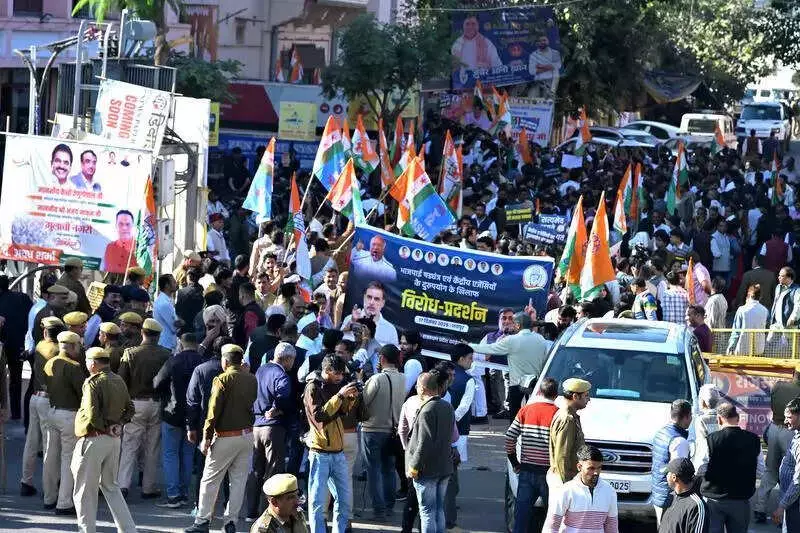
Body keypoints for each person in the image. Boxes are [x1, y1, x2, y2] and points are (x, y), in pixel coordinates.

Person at [185, 344, 258, 533]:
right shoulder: (251, 379)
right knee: (238, 481)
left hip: (225, 437)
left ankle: (202, 522)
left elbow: (212, 411)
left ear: (225, 361)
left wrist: (206, 437)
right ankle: (231, 522)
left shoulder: (222, 379)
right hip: (247, 435)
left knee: (210, 480)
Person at [71, 346, 137, 533]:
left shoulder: (92, 382)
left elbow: (92, 413)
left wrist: (104, 428)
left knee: (84, 491)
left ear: (93, 363)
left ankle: (87, 530)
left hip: (94, 438)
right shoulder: (118, 380)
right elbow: (130, 408)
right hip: (113, 440)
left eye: (87, 362)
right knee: (111, 487)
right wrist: (118, 424)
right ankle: (128, 530)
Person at [303, 354, 359, 533]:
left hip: (338, 452)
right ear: (326, 371)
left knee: (344, 500)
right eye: (337, 374)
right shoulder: (313, 387)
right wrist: (340, 396)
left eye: (342, 375)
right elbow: (320, 417)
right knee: (317, 502)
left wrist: (350, 398)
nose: (340, 378)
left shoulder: (335, 386)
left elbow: (341, 413)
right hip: (320, 452)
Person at [117, 318, 172, 498]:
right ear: (158, 335)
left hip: (135, 403)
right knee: (152, 447)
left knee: (129, 445)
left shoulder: (131, 353)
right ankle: (148, 487)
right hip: (157, 403)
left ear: (142, 332)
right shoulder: (166, 354)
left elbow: (121, 381)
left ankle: (123, 485)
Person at [152, 333, 204, 508]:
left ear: (181, 345)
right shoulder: (203, 362)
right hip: (194, 416)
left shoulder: (173, 361)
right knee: (188, 455)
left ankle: (173, 495)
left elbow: (157, 383)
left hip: (172, 414)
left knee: (170, 454)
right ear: (196, 345)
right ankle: (184, 493)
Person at [247, 342, 296, 520]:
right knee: (273, 471)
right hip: (273, 427)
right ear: (288, 358)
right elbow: (283, 396)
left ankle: (250, 511)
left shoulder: (260, 370)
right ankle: (266, 513)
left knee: (255, 470)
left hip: (256, 426)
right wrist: (278, 409)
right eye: (293, 360)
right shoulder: (281, 375)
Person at [467, 312, 549, 419]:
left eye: (513, 323)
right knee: (532, 415)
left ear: (518, 325)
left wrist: (469, 346)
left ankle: (514, 435)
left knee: (515, 417)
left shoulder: (512, 340)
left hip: (516, 385)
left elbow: (490, 348)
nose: (511, 325)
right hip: (535, 384)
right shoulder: (541, 339)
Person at [505, 377, 559, 533]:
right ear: (556, 395)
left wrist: (514, 462)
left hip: (527, 471)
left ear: (540, 392)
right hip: (549, 474)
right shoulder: (558, 414)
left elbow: (510, 437)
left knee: (521, 516)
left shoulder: (526, 410)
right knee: (552, 517)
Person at [406, 371, 456, 533]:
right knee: (439, 509)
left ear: (422, 388)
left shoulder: (426, 410)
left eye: (417, 386)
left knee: (427, 512)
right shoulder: (447, 406)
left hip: (427, 470)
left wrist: (414, 466)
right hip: (444, 467)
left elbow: (423, 443)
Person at [361, 344, 407, 520]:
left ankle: (378, 510)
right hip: (392, 430)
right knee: (389, 469)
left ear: (381, 359)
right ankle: (389, 506)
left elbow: (364, 401)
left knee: (373, 471)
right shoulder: (402, 378)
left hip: (372, 430)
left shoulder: (377, 379)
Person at [42, 330, 85, 515]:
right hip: (69, 415)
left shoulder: (50, 362)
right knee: (68, 459)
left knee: (50, 457)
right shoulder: (74, 367)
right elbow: (83, 394)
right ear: (74, 347)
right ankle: (64, 502)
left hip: (52, 411)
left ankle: (49, 498)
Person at [701, 403, 761, 533]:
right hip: (741, 499)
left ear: (719, 419)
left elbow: (700, 467)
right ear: (738, 418)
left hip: (713, 499)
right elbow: (761, 469)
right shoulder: (754, 440)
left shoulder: (711, 439)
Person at [20, 316, 63, 498]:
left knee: (31, 442)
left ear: (45, 331)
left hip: (35, 397)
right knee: (49, 447)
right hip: (49, 400)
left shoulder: (39, 346)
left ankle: (26, 481)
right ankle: (49, 489)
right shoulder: (58, 350)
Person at [542, 445, 619, 533]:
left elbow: (612, 526)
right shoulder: (566, 491)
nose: (596, 473)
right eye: (591, 468)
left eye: (599, 468)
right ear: (579, 467)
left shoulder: (610, 492)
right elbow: (551, 527)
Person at [547, 378, 591, 499]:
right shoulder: (567, 419)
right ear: (575, 396)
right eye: (586, 396)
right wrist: (566, 487)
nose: (589, 399)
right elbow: (562, 456)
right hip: (565, 482)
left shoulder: (571, 416)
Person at [651, 399, 692, 525]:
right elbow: (678, 474)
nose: (691, 420)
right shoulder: (679, 441)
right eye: (690, 416)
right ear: (686, 417)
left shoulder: (661, 432)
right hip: (670, 497)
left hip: (658, 492)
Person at [658, 458, 710, 533]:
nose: (666, 477)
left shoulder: (696, 506)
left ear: (674, 477)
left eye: (667, 473)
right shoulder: (671, 498)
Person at [341, 281, 399, 347]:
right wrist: (352, 322)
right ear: (364, 298)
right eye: (369, 297)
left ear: (383, 303)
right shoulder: (349, 319)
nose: (371, 302)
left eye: (376, 299)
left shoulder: (390, 330)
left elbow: (392, 355)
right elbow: (340, 344)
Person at [776, 397, 800, 529]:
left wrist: (782, 505)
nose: (785, 421)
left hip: (795, 504)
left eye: (789, 417)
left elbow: (798, 481)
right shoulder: (796, 434)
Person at [727, 283, 769, 356]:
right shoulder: (765, 310)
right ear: (760, 297)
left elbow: (736, 332)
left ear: (748, 295)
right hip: (759, 349)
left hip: (742, 349)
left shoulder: (742, 310)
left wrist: (731, 347)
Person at [691, 384, 720, 477]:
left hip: (703, 467)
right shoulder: (722, 418)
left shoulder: (700, 420)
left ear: (702, 401)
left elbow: (702, 446)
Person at [154, 274, 181, 351]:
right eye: (174, 282)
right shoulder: (164, 303)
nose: (176, 284)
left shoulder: (168, 300)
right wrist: (181, 323)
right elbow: (174, 326)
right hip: (165, 345)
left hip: (168, 343)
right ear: (167, 285)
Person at [176, 269, 205, 335]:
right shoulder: (203, 291)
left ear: (188, 277)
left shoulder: (182, 292)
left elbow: (178, 311)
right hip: (199, 325)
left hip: (185, 326)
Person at [399, 329, 427, 395]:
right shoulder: (413, 359)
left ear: (415, 346)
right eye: (401, 343)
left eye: (405, 344)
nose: (401, 347)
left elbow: (404, 391)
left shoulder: (413, 363)